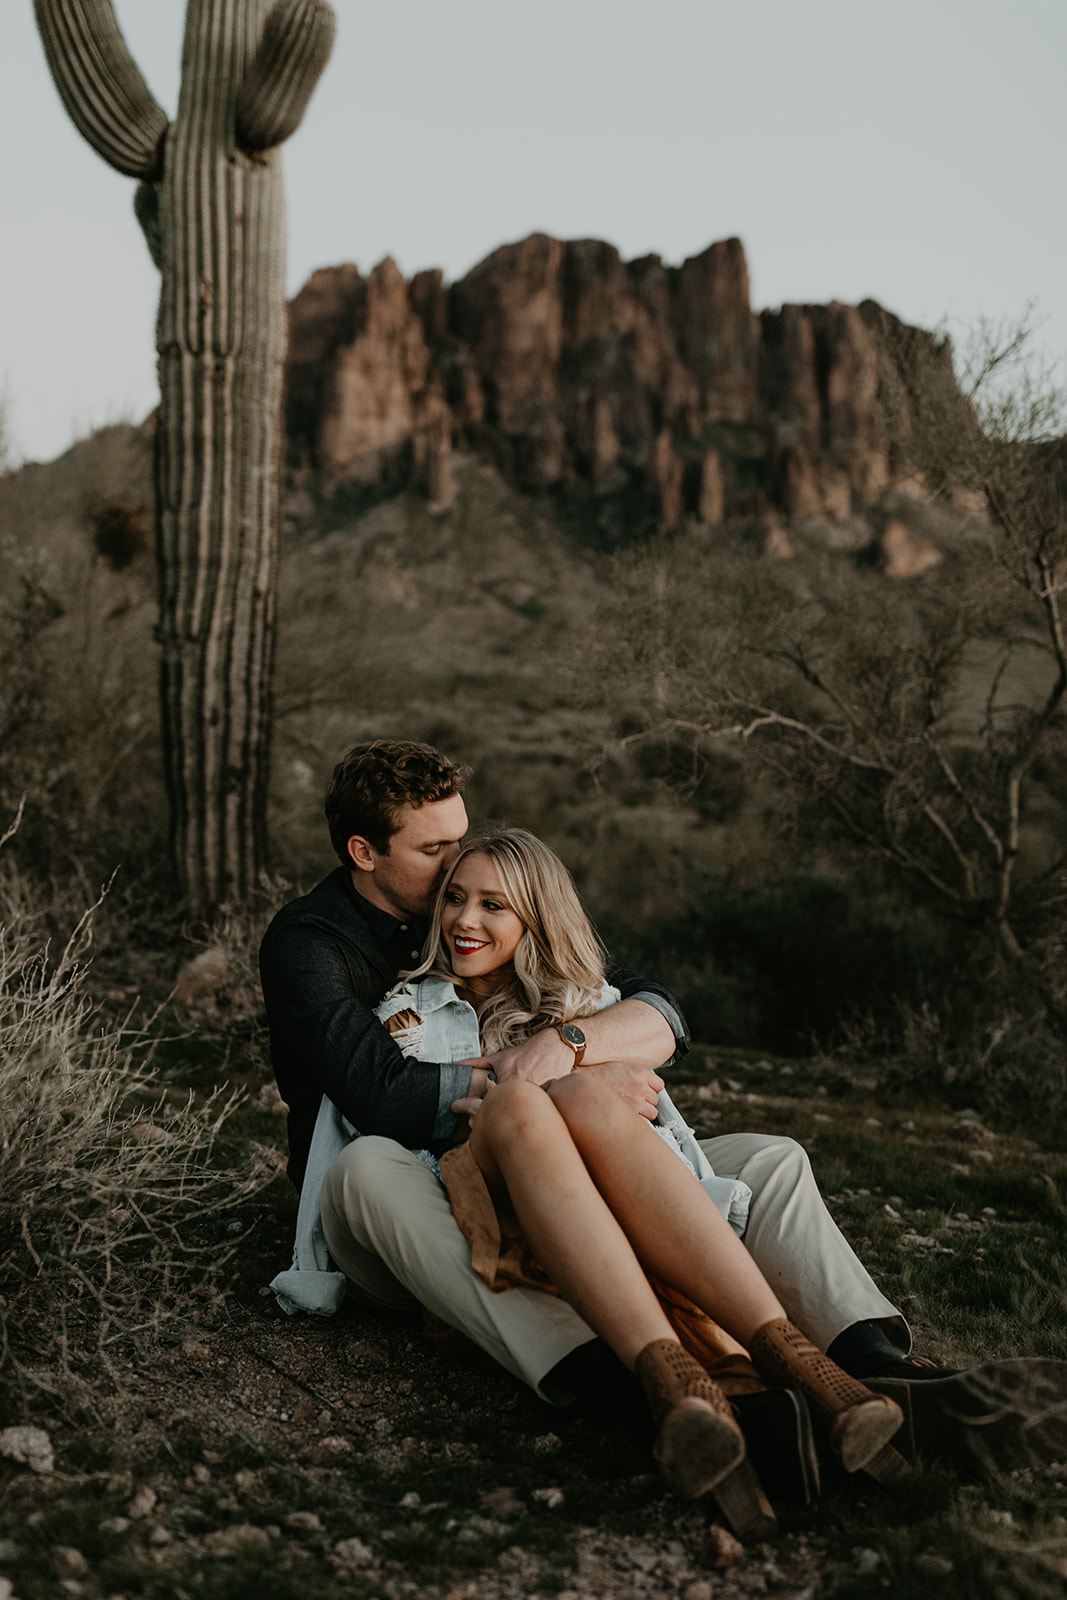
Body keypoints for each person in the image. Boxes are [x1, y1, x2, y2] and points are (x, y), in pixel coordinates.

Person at [259, 740, 1067, 1495]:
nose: (454, 884)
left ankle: (872, 1367)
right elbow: (383, 1094)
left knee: (769, 1159)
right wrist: (539, 1083)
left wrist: (575, 1048)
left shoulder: (493, 900)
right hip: (399, 1197)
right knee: (370, 1171)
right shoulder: (312, 943)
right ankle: (620, 1386)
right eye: (434, 855)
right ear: (364, 853)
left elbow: (655, 1010)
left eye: (461, 844)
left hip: (546, 1148)